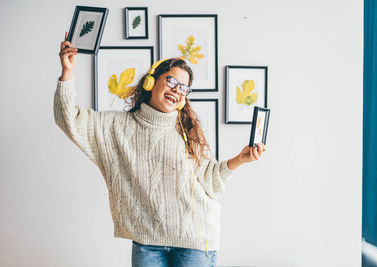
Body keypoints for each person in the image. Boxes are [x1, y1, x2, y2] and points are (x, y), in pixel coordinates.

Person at [55, 32, 266, 267]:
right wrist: (68, 72)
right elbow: (68, 119)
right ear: (151, 81)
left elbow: (210, 181)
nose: (177, 90)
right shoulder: (115, 126)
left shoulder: (188, 130)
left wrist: (240, 158)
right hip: (147, 242)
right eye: (172, 81)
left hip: (195, 242)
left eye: (184, 88)